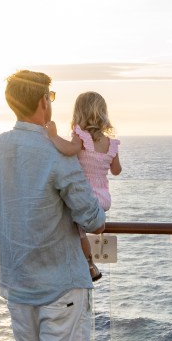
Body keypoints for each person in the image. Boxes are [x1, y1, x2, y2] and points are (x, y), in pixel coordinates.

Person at [0, 70, 107, 341]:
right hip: (59, 286)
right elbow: (93, 219)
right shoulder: (55, 151)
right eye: (50, 95)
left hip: (18, 283)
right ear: (41, 101)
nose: (52, 102)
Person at [46, 91, 122, 282]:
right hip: (103, 198)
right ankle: (98, 226)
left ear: (79, 112)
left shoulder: (80, 135)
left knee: (76, 230)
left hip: (85, 195)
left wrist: (53, 137)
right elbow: (116, 170)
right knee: (87, 225)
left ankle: (90, 265)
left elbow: (69, 149)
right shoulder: (111, 143)